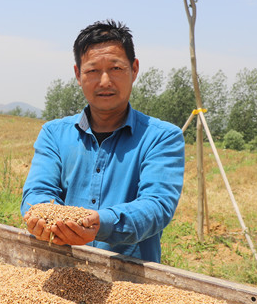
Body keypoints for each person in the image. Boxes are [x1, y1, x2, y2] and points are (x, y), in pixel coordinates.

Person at [21, 20, 185, 263]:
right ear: (78, 74)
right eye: (92, 70)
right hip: (62, 268)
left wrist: (100, 222)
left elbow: (157, 206)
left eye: (116, 69)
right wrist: (39, 216)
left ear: (134, 69)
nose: (105, 81)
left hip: (130, 282)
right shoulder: (54, 134)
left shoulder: (162, 137)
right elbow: (37, 192)